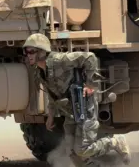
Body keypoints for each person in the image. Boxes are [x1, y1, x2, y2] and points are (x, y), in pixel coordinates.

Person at [22, 33, 131, 166]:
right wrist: (50, 115)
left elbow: (89, 58)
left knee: (82, 149)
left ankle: (115, 142)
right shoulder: (39, 72)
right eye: (26, 51)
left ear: (42, 52)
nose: (28, 54)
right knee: (72, 153)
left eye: (31, 51)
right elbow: (52, 95)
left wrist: (91, 84)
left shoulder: (60, 60)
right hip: (70, 112)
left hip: (84, 107)